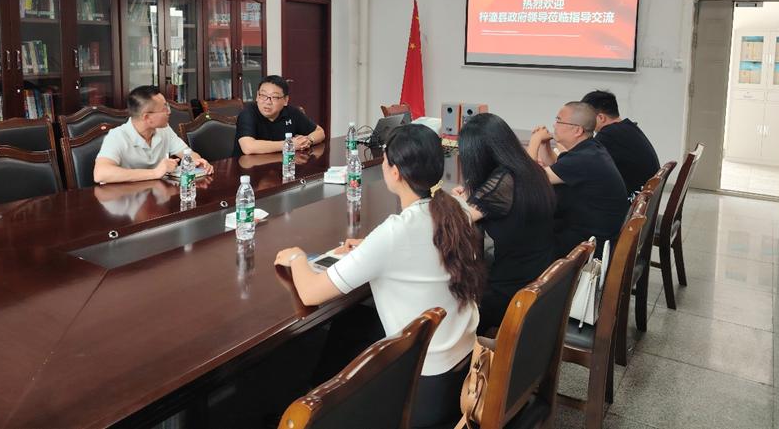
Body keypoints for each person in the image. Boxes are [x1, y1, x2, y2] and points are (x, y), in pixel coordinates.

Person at [274, 124, 483, 428]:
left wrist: (296, 258)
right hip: (464, 369)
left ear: (394, 172)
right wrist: (370, 248)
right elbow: (420, 248)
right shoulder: (456, 208)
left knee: (349, 329)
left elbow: (310, 293)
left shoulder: (395, 233)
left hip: (423, 389)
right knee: (351, 324)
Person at [453, 112, 556, 334]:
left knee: (448, 306)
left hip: (511, 293)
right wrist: (474, 195)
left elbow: (457, 219)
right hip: (537, 278)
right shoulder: (529, 169)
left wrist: (459, 201)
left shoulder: (503, 183)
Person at [528, 101, 629, 258]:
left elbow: (528, 178)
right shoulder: (591, 149)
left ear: (577, 130)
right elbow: (558, 167)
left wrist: (534, 140)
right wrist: (544, 145)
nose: (554, 125)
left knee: (522, 235)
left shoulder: (583, 159)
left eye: (559, 120)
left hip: (587, 247)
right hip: (594, 235)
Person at [94, 85, 212, 184]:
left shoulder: (164, 130)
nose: (169, 112)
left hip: (157, 195)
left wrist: (197, 162)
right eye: (164, 109)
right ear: (147, 117)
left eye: (167, 106)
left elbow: (187, 153)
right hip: (125, 200)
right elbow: (100, 174)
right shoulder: (117, 136)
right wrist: (155, 173)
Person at [581, 89, 660, 199]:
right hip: (643, 200)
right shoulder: (628, 128)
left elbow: (582, 163)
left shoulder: (609, 135)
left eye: (587, 118)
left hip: (632, 202)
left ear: (601, 118)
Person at [234, 75, 325, 156]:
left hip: (283, 165)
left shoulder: (292, 112)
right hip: (247, 167)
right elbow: (248, 147)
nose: (268, 102)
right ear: (257, 96)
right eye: (263, 95)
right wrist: (290, 145)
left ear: (285, 100)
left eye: (274, 97)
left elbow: (320, 132)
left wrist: (308, 140)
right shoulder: (248, 113)